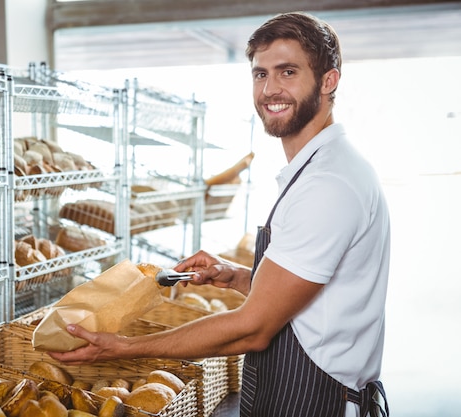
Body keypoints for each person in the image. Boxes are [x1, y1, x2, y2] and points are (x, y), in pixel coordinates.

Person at [49, 11, 391, 417]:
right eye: (260, 74)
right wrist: (240, 277)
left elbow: (253, 328)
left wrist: (126, 348)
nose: (270, 89)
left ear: (328, 80)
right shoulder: (320, 169)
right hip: (294, 392)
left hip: (317, 401)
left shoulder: (328, 183)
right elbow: (314, 301)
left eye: (287, 72)